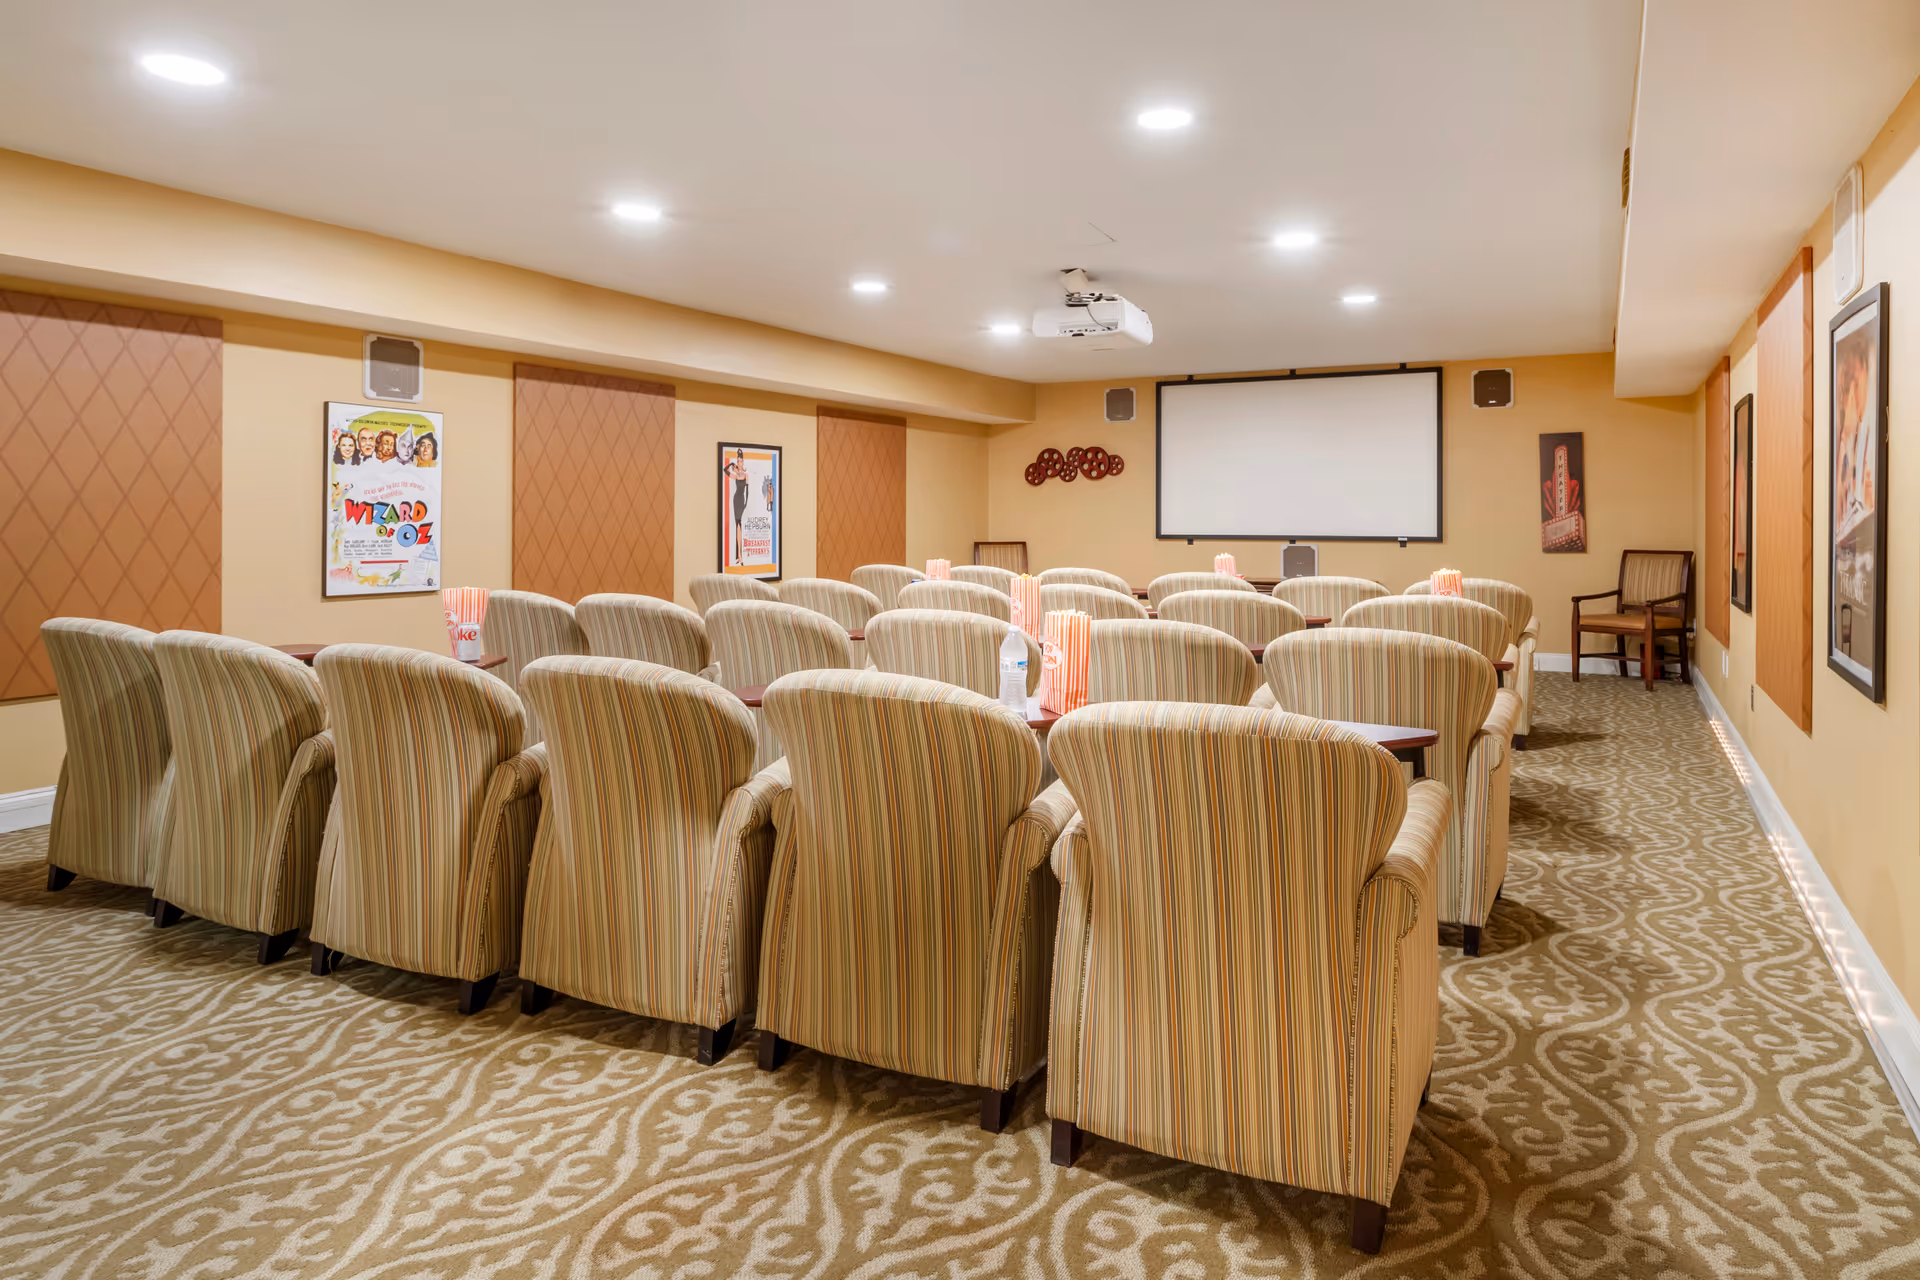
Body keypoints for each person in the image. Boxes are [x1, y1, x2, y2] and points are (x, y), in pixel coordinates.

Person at [723, 448, 750, 564]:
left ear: (743, 462)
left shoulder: (745, 475)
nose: (739, 463)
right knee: (738, 525)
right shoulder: (735, 475)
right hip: (736, 500)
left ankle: (739, 555)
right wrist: (731, 464)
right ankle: (739, 556)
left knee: (740, 525)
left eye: (740, 461)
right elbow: (725, 470)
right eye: (737, 461)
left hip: (742, 500)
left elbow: (747, 491)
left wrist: (745, 504)